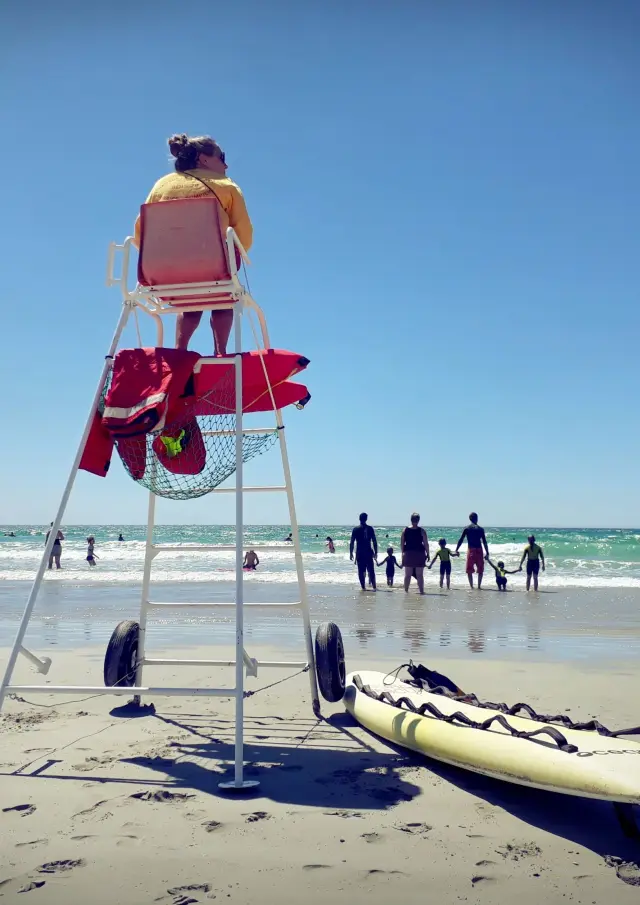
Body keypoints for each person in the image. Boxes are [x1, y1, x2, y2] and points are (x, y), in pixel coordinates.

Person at [133, 134, 253, 356]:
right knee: (224, 294)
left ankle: (180, 350)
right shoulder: (226, 186)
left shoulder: (161, 185)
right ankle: (221, 352)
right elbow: (243, 235)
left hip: (160, 274)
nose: (226, 164)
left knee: (190, 300)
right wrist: (240, 252)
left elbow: (141, 231)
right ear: (203, 159)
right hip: (213, 270)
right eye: (221, 157)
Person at [455, 512, 489, 589]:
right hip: (479, 550)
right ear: (477, 518)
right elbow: (484, 542)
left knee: (469, 570)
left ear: (470, 519)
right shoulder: (481, 529)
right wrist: (487, 553)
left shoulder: (467, 528)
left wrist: (456, 549)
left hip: (471, 550)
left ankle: (471, 587)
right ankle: (479, 586)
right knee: (480, 570)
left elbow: (461, 540)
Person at [401, 513, 430, 594]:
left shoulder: (405, 530)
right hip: (419, 553)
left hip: (408, 553)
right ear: (418, 520)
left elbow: (402, 543)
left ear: (411, 519)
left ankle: (406, 591)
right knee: (420, 575)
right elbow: (426, 544)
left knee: (407, 575)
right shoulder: (422, 530)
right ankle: (421, 591)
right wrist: (428, 554)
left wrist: (402, 554)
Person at [350, 513, 378, 591]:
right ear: (366, 519)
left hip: (360, 552)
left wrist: (351, 553)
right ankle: (374, 587)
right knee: (371, 570)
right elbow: (374, 541)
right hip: (368, 551)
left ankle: (363, 587)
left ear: (359, 519)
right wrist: (376, 552)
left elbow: (352, 542)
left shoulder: (356, 529)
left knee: (361, 571)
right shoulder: (370, 528)